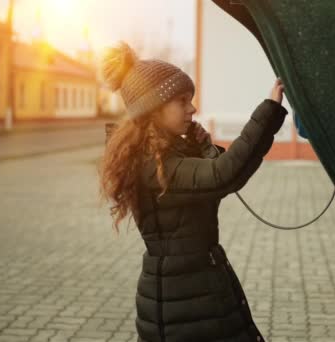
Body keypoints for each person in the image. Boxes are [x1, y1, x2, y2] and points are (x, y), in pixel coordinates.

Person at [98, 41, 287, 342]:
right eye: (182, 100)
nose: (193, 108)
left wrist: (202, 148)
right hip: (181, 307)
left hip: (196, 296)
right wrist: (269, 111)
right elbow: (222, 175)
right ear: (154, 108)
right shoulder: (153, 166)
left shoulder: (168, 156)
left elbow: (211, 186)